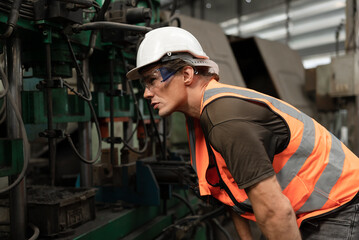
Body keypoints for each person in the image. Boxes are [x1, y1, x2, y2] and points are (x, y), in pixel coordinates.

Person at [126, 26, 359, 240]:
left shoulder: (225, 119)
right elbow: (231, 192)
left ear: (187, 75)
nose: (147, 93)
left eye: (152, 80)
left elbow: (274, 212)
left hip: (342, 207)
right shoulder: (201, 118)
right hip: (307, 210)